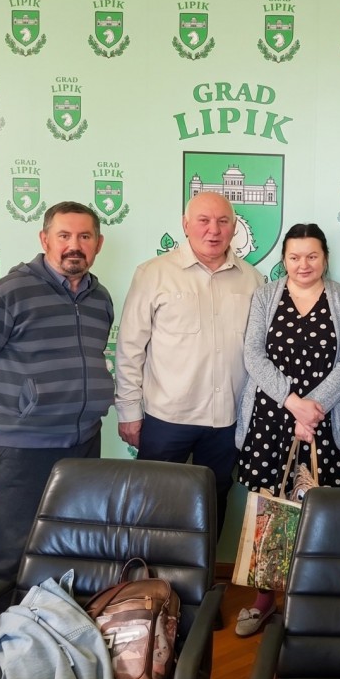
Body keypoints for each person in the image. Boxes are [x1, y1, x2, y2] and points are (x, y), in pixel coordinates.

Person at [0, 201, 114, 648]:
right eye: (64, 235)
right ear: (45, 240)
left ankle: (54, 632)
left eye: (84, 237)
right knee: (11, 549)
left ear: (98, 244)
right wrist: (6, 410)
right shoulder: (7, 294)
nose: (74, 246)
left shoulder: (100, 298)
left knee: (71, 542)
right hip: (24, 445)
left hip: (84, 440)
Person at [232, 223, 340, 637]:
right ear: (284, 259)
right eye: (294, 257)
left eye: (312, 256)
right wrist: (293, 403)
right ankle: (264, 598)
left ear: (325, 258)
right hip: (271, 419)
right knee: (269, 508)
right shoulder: (266, 295)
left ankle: (312, 598)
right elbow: (253, 355)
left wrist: (311, 411)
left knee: (319, 510)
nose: (303, 264)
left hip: (321, 422)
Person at [115, 191, 262, 536]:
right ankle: (147, 571)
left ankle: (203, 570)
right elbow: (130, 347)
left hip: (227, 420)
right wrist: (128, 411)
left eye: (223, 221)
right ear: (185, 225)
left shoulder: (253, 279)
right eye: (203, 220)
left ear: (234, 227)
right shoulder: (153, 273)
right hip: (166, 418)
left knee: (213, 505)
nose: (214, 229)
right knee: (151, 504)